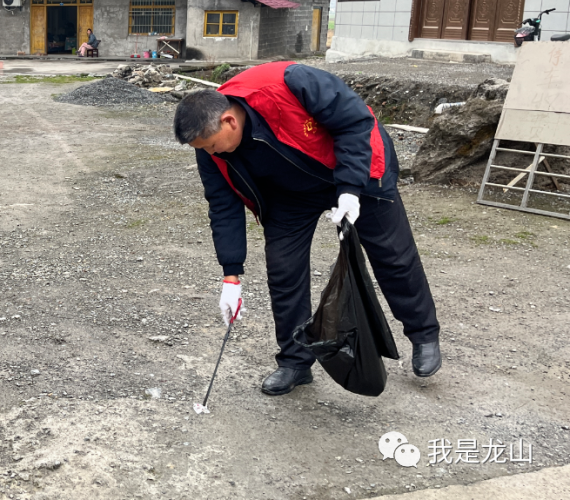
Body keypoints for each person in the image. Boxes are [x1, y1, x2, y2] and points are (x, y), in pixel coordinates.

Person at [172, 62, 440, 396]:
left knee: (393, 255)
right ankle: (295, 362)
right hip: (289, 195)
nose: (211, 153)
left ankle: (423, 334)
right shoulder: (209, 148)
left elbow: (355, 123)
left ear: (228, 120)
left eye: (212, 145)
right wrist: (231, 274)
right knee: (284, 270)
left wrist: (350, 189)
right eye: (203, 149)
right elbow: (222, 206)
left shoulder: (292, 83)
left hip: (358, 171)